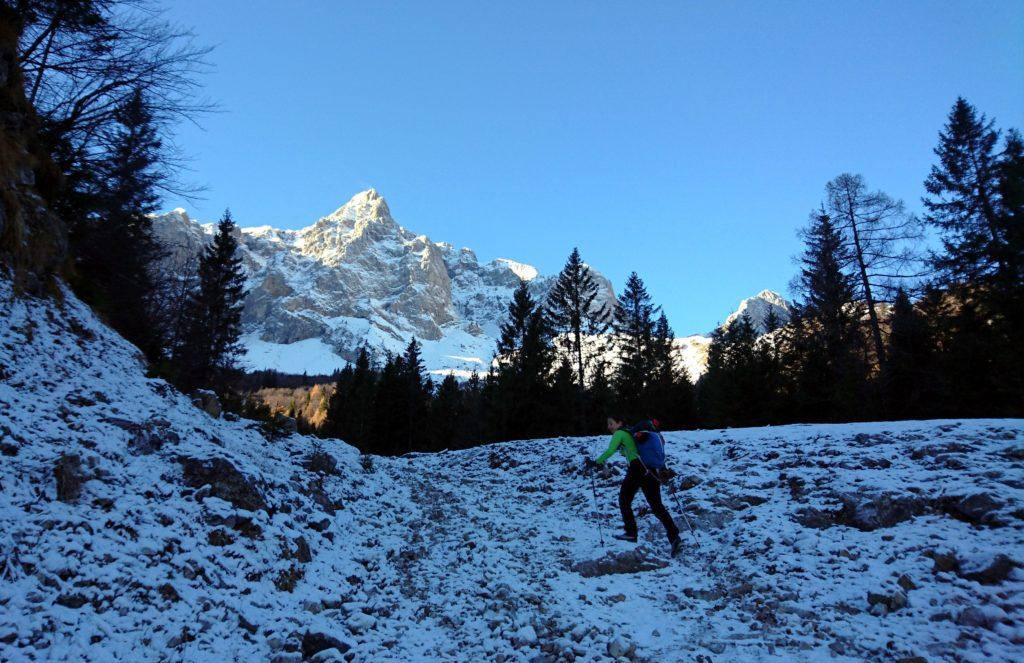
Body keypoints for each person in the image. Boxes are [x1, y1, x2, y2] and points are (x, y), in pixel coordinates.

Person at [586, 414, 682, 557]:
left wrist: (596, 462)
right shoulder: (631, 434)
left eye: (611, 423)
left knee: (624, 499)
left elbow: (610, 450)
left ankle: (631, 533)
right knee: (657, 506)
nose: (609, 427)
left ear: (619, 423)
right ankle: (674, 537)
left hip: (637, 468)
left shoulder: (619, 433)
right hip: (649, 470)